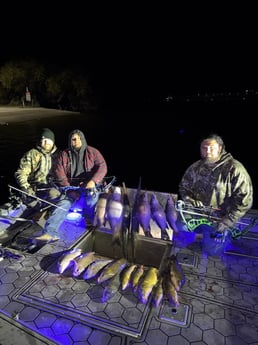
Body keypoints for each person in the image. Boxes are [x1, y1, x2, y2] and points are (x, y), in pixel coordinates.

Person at [176, 133, 253, 256]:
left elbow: (245, 201)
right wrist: (189, 200)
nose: (208, 152)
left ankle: (221, 237)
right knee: (180, 226)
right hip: (199, 213)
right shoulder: (195, 167)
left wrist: (228, 220)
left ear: (221, 148)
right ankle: (201, 235)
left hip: (222, 218)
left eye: (212, 148)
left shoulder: (235, 169)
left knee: (213, 251)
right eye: (204, 148)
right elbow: (184, 188)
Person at [34, 129, 108, 243]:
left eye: (79, 139)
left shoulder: (93, 152)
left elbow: (102, 167)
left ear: (83, 139)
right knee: (63, 203)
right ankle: (50, 232)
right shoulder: (64, 155)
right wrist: (69, 189)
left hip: (90, 186)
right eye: (73, 139)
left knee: (92, 197)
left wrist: (93, 181)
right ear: (70, 141)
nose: (76, 141)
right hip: (72, 188)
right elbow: (59, 173)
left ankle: (91, 221)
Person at [14, 127, 61, 204]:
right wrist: (25, 187)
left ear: (53, 141)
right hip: (35, 187)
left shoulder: (60, 154)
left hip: (54, 186)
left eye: (48, 140)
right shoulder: (32, 154)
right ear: (40, 141)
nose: (46, 142)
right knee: (33, 203)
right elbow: (21, 172)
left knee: (54, 194)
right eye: (43, 140)